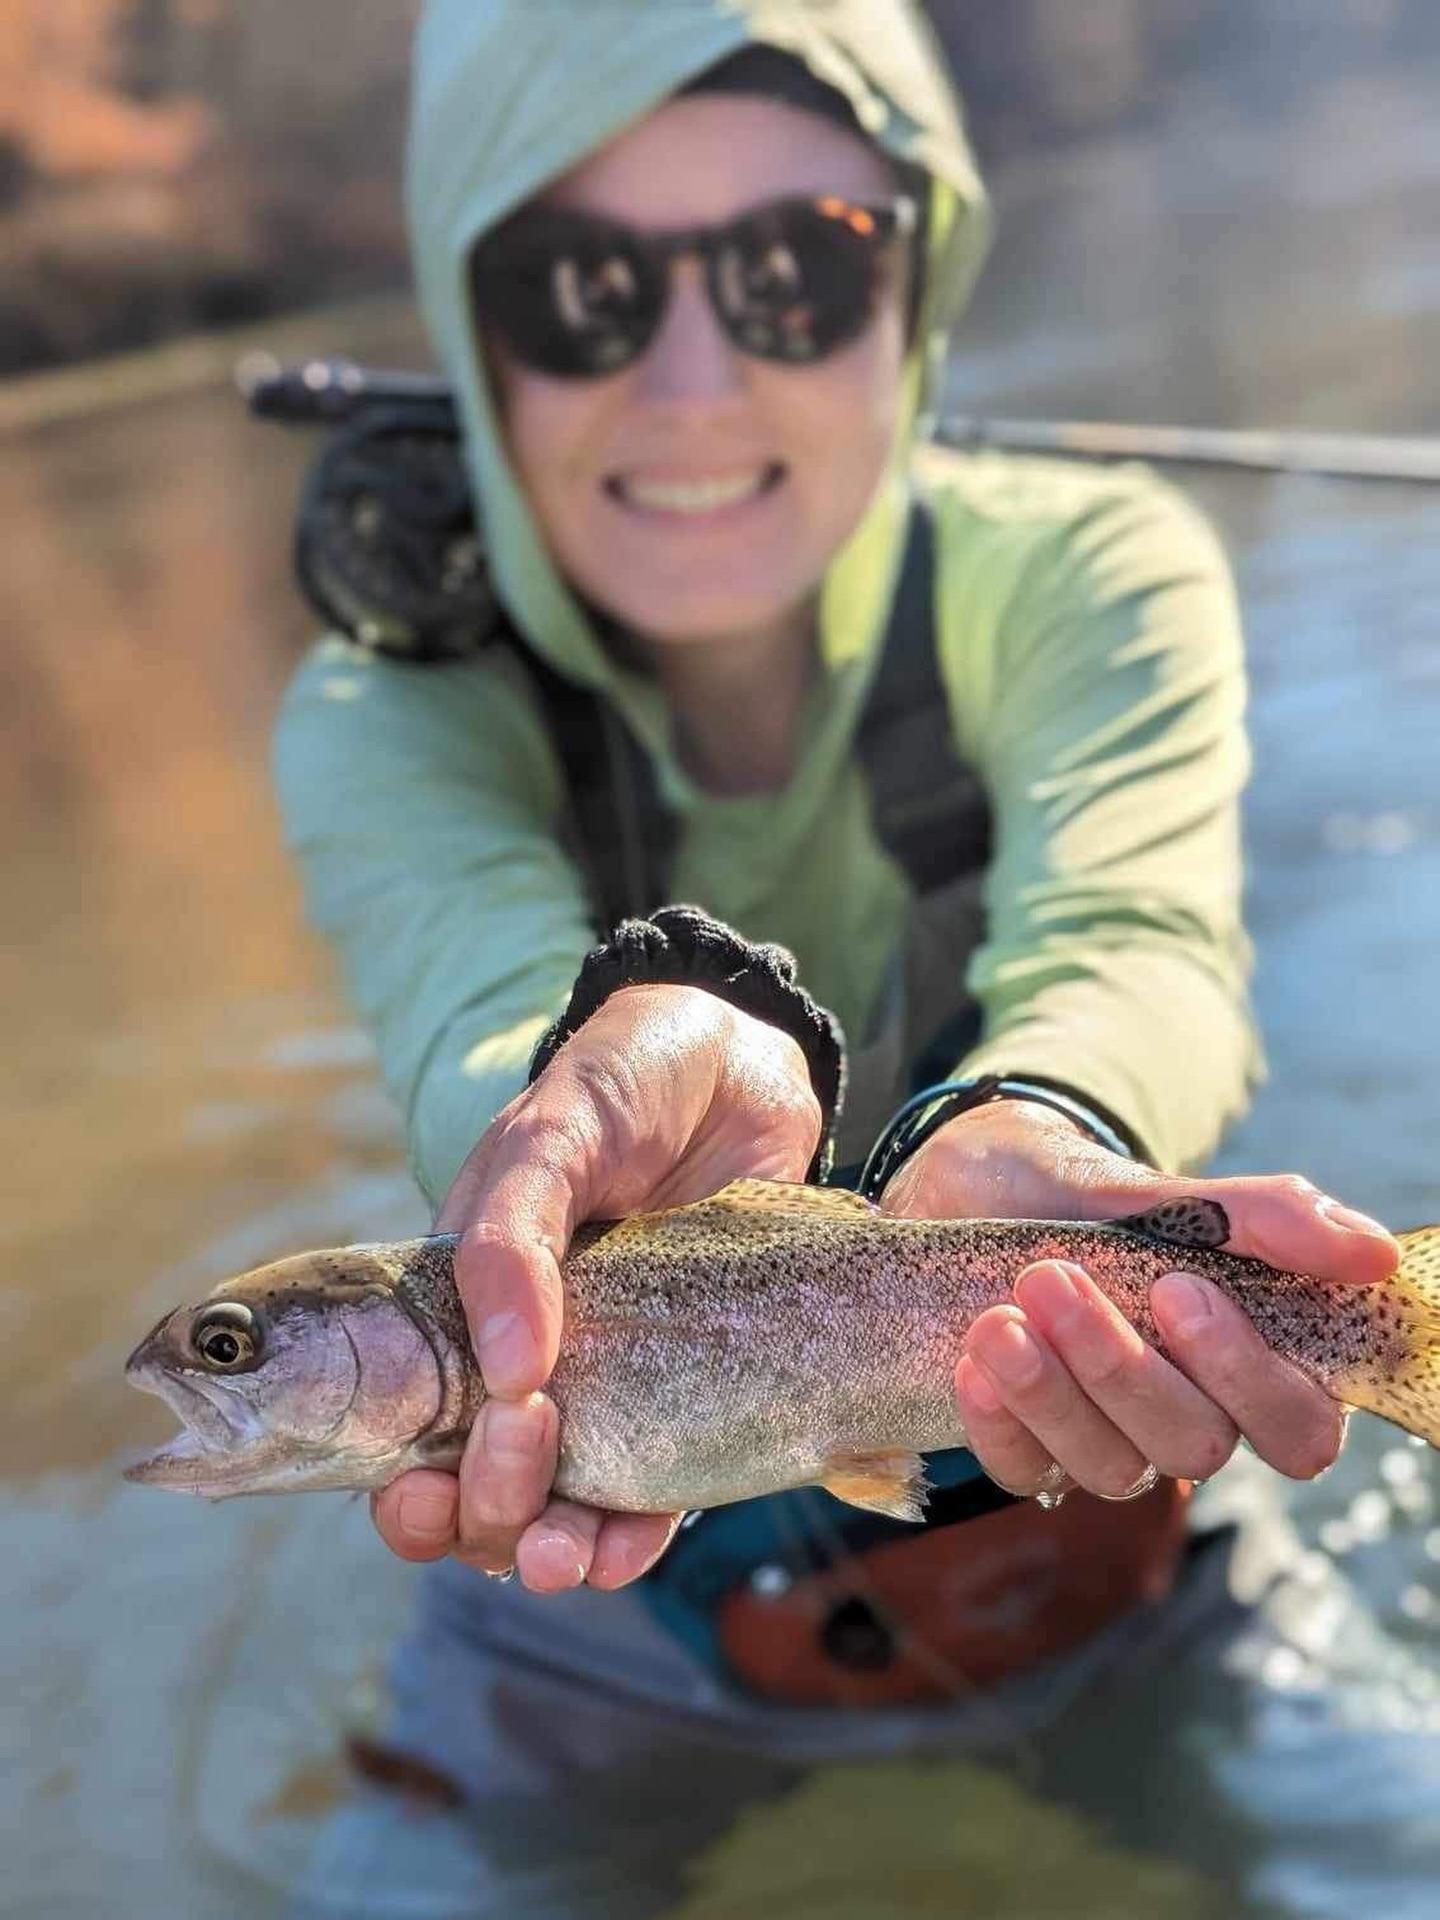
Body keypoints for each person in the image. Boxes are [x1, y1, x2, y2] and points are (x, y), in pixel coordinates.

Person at [272, 3, 1428, 1913]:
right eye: (578, 291)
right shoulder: (383, 708)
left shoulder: (1086, 570)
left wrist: (1045, 1126)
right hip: (594, 1612)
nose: (697, 380)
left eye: (801, 268)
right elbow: (473, 1008)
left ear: (921, 293)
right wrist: (561, 1106)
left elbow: (1131, 937)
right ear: (475, 346)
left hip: (1120, 1495)